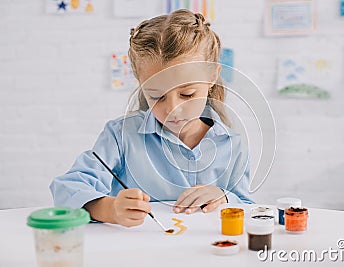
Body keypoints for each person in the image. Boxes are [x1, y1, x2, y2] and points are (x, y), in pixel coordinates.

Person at [50, 9, 254, 227]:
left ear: (212, 76)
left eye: (187, 94)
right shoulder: (121, 135)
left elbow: (248, 206)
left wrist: (223, 197)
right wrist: (110, 209)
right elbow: (67, 188)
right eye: (156, 96)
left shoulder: (233, 144)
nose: (173, 109)